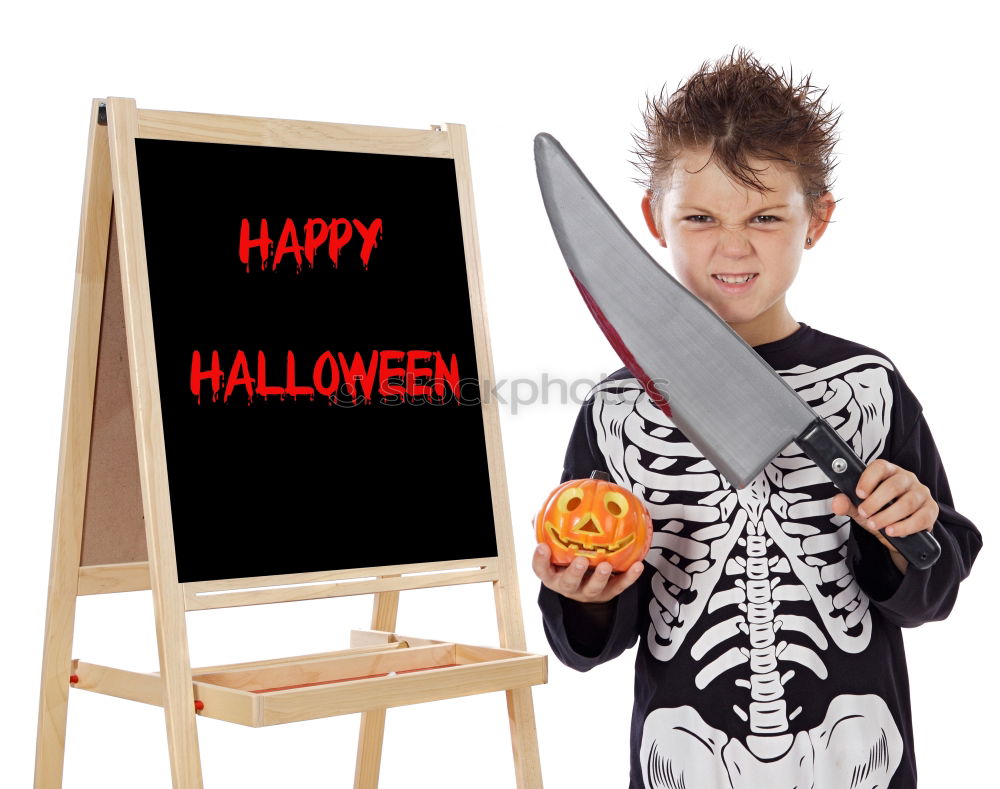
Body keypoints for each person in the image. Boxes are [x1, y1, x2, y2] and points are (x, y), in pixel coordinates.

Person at [533, 47, 983, 789]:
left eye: (767, 215)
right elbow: (588, 642)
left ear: (818, 219)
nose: (734, 246)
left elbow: (934, 588)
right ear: (654, 218)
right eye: (700, 216)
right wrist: (582, 596)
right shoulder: (616, 409)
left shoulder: (869, 386)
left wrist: (908, 534)